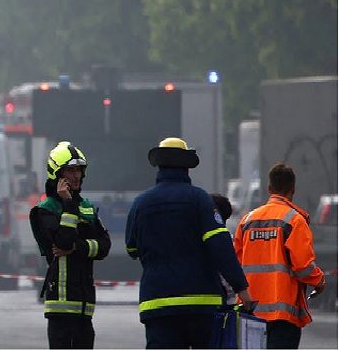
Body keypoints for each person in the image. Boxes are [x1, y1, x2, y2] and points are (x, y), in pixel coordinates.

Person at [125, 137, 252, 349]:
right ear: (186, 167)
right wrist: (242, 289)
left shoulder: (141, 203)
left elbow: (132, 248)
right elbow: (220, 246)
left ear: (159, 166)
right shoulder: (200, 200)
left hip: (157, 304)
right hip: (200, 305)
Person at [234, 162, 326, 349]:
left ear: (269, 188)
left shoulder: (247, 221)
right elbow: (303, 267)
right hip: (283, 317)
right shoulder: (294, 221)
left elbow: (235, 263)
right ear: (293, 189)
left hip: (249, 311)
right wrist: (319, 281)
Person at [29, 141, 111, 349]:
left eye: (79, 170)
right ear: (57, 174)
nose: (76, 176)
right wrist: (69, 204)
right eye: (70, 170)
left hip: (85, 308)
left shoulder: (86, 207)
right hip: (61, 310)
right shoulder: (45, 210)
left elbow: (104, 246)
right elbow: (62, 241)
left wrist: (78, 247)